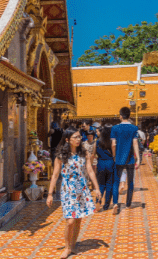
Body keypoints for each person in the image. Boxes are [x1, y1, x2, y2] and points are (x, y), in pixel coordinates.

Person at [47, 127, 100, 258]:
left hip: (81, 188)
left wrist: (97, 188)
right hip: (68, 189)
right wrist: (49, 194)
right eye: (75, 137)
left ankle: (72, 246)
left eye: (79, 137)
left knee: (78, 220)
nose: (79, 139)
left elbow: (90, 171)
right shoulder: (60, 156)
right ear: (67, 139)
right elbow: (55, 175)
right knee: (70, 221)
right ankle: (66, 247)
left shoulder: (84, 153)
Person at [110, 107, 140, 214]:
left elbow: (113, 145)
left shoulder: (114, 128)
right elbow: (135, 143)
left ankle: (115, 203)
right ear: (129, 116)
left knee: (116, 182)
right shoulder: (134, 128)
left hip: (118, 159)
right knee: (130, 182)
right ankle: (128, 204)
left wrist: (114, 156)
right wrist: (138, 158)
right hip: (130, 159)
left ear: (120, 116)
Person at [96, 125, 115, 212]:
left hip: (100, 163)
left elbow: (93, 153)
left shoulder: (97, 142)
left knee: (101, 185)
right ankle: (106, 205)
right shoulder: (112, 142)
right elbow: (115, 152)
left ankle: (98, 201)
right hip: (110, 163)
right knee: (109, 185)